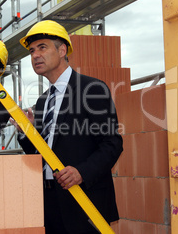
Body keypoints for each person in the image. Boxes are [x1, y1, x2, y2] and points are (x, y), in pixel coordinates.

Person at [13, 20, 123, 233]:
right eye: (32, 51)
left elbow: (112, 143)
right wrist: (27, 133)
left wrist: (82, 172)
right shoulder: (44, 101)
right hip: (49, 201)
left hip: (82, 201)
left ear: (62, 50)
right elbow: (43, 154)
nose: (35, 55)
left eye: (42, 47)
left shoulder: (91, 89)